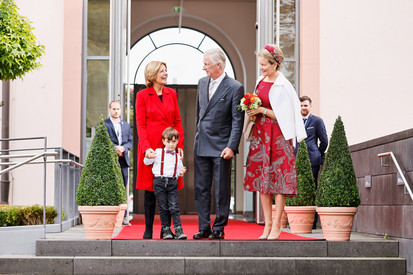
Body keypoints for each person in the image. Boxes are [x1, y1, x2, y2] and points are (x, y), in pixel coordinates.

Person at [243, 44, 307, 240]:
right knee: (263, 181)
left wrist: (262, 111)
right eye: (260, 64)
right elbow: (257, 103)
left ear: (274, 64)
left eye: (263, 64)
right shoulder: (259, 81)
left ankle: (278, 225)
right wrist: (252, 111)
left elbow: (286, 116)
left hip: (279, 136)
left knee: (278, 182)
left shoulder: (284, 85)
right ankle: (267, 224)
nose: (261, 67)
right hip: (261, 135)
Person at [193, 48, 244, 240]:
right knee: (201, 188)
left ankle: (219, 227)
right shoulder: (202, 82)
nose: (203, 67)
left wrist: (231, 146)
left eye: (206, 64)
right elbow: (199, 115)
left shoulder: (234, 87)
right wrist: (196, 138)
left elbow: (237, 120)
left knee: (221, 190)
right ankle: (203, 226)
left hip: (222, 147)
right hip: (201, 145)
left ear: (218, 65)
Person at [135, 61, 184, 239]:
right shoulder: (142, 95)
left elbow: (178, 121)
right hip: (152, 148)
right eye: (161, 71)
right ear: (152, 74)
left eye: (166, 70)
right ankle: (148, 228)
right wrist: (146, 148)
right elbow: (140, 124)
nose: (165, 73)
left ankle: (167, 229)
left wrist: (179, 145)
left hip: (169, 145)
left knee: (170, 189)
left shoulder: (172, 93)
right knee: (150, 189)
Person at [143, 127, 187, 239]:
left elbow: (178, 171)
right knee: (163, 207)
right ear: (163, 141)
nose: (171, 145)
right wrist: (148, 155)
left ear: (177, 141)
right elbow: (146, 161)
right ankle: (166, 230)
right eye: (168, 141)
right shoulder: (158, 152)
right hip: (159, 182)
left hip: (172, 182)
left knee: (174, 207)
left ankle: (178, 229)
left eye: (173, 142)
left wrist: (181, 172)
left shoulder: (177, 157)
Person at [298, 95, 328, 229]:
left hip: (312, 160)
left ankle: (313, 222)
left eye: (305, 105)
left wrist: (317, 153)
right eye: (301, 105)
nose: (303, 108)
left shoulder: (317, 121)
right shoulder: (294, 120)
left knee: (312, 188)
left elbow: (324, 141)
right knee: (298, 188)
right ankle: (298, 219)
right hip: (296, 160)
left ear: (310, 106)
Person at [104, 100, 133, 226]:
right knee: (110, 187)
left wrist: (123, 148)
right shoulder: (104, 124)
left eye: (118, 109)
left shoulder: (126, 125)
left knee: (123, 188)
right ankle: (110, 218)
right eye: (114, 109)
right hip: (110, 161)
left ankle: (123, 217)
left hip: (123, 161)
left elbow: (130, 142)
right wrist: (115, 148)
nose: (116, 111)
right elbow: (103, 141)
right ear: (109, 110)